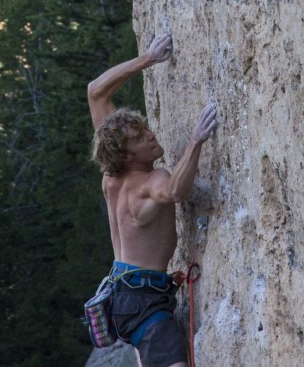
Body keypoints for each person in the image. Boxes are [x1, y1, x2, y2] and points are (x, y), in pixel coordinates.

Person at [88, 30, 218, 367]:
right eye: (140, 138)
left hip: (121, 296)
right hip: (144, 300)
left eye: (145, 128)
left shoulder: (112, 175)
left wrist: (149, 59)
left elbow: (96, 92)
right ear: (127, 154)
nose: (150, 135)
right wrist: (195, 143)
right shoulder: (151, 180)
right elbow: (175, 191)